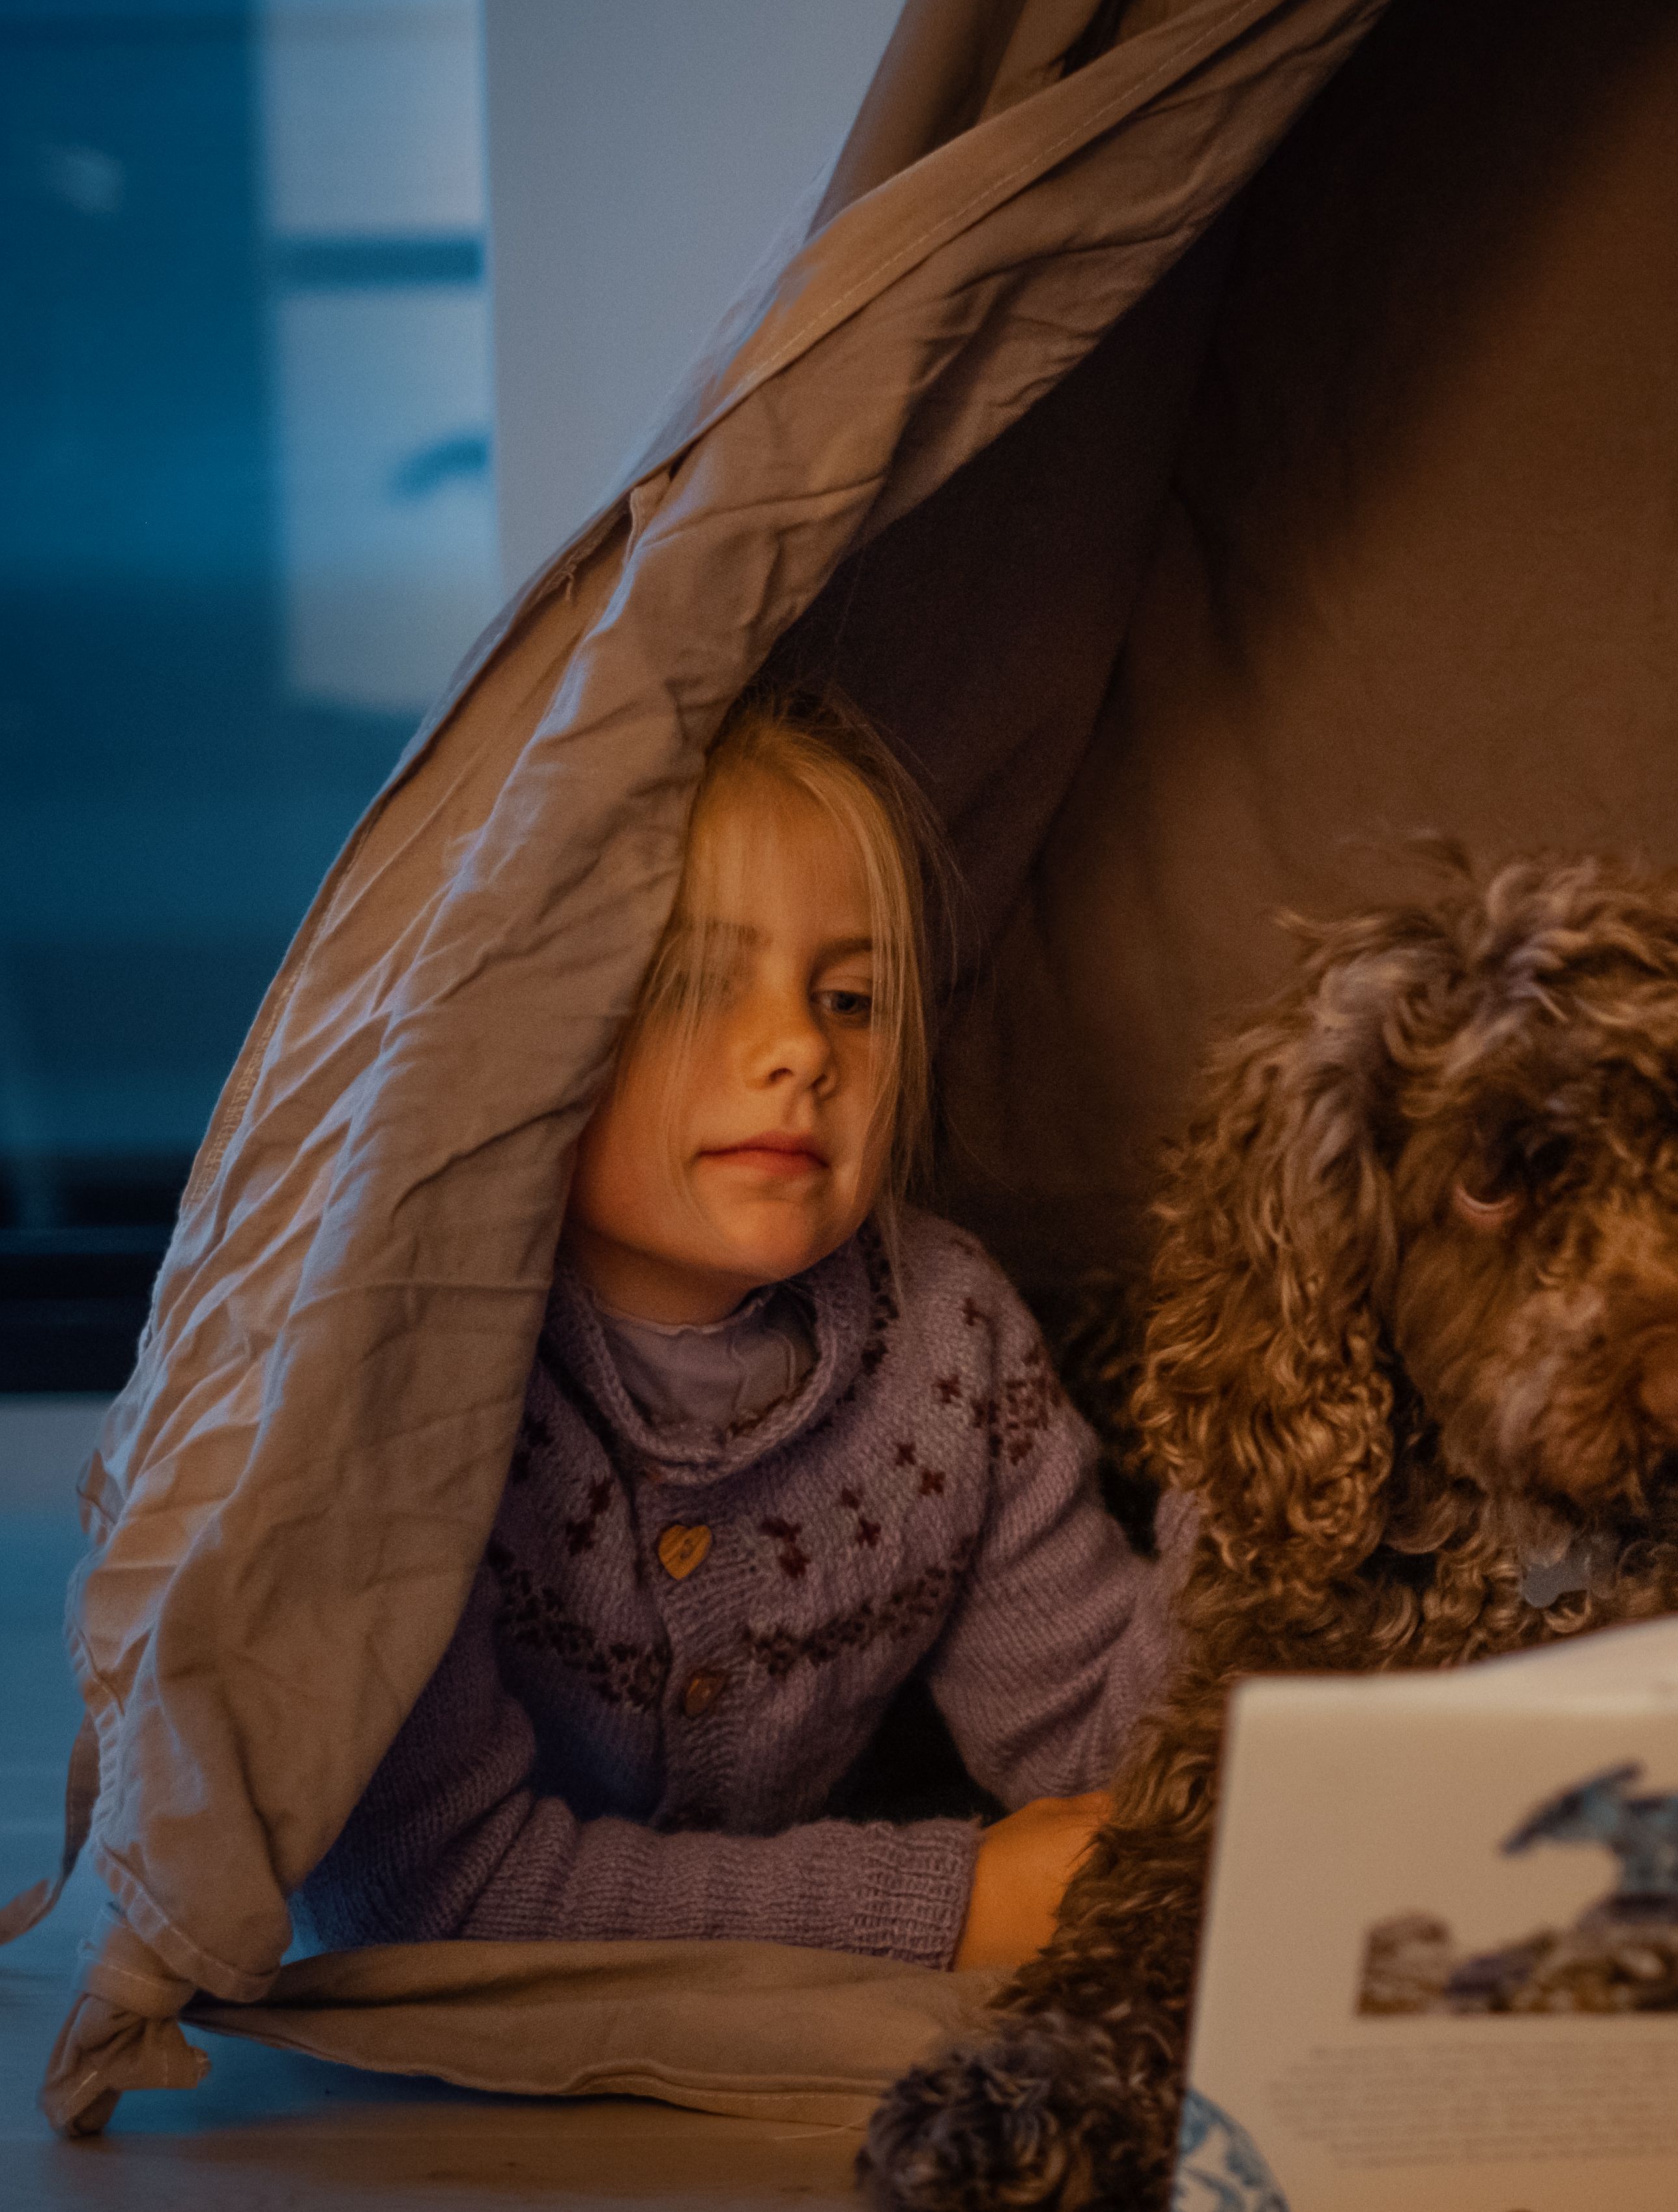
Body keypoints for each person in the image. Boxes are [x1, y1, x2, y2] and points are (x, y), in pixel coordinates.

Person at [297, 690, 1159, 1972]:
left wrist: (1259, 1464)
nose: (800, 1048)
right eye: (697, 982)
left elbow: (1103, 1747)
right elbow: (424, 1889)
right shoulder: (423, 1362)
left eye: (853, 999)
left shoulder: (947, 1337)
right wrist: (950, 1901)